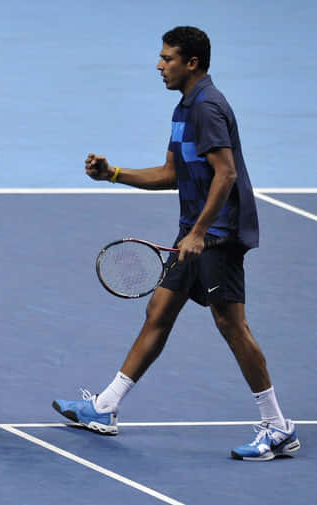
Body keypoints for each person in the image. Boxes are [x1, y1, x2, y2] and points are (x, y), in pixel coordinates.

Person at [51, 26, 300, 461]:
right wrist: (114, 174)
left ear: (192, 64)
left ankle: (277, 426)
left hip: (216, 236)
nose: (159, 65)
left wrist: (201, 233)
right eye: (160, 57)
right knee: (159, 312)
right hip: (195, 232)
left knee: (231, 326)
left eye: (167, 58)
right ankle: (106, 407)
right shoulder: (184, 109)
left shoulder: (207, 108)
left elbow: (226, 174)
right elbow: (172, 175)